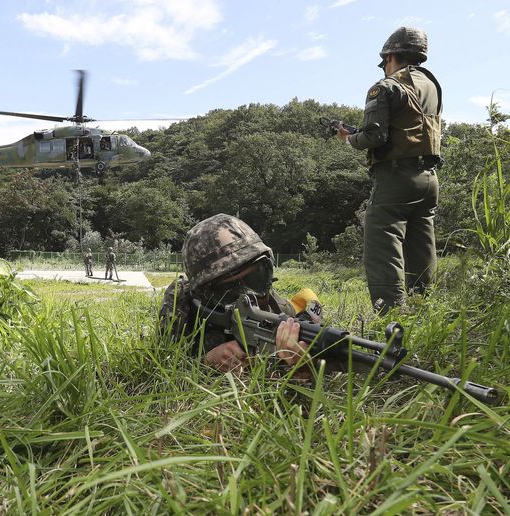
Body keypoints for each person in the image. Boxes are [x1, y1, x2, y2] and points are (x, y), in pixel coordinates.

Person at [337, 27, 441, 313]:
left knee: (383, 247)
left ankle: (392, 319)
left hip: (396, 178)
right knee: (422, 248)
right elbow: (406, 129)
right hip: (429, 178)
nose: (384, 68)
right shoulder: (432, 85)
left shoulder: (384, 87)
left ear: (391, 55)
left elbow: (374, 137)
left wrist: (349, 138)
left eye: (384, 62)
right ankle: (422, 311)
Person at [160, 214, 321, 372]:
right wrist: (205, 361)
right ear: (205, 293)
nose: (250, 297)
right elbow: (162, 362)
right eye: (229, 290)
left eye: (256, 278)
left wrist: (303, 366)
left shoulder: (277, 310)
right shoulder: (182, 302)